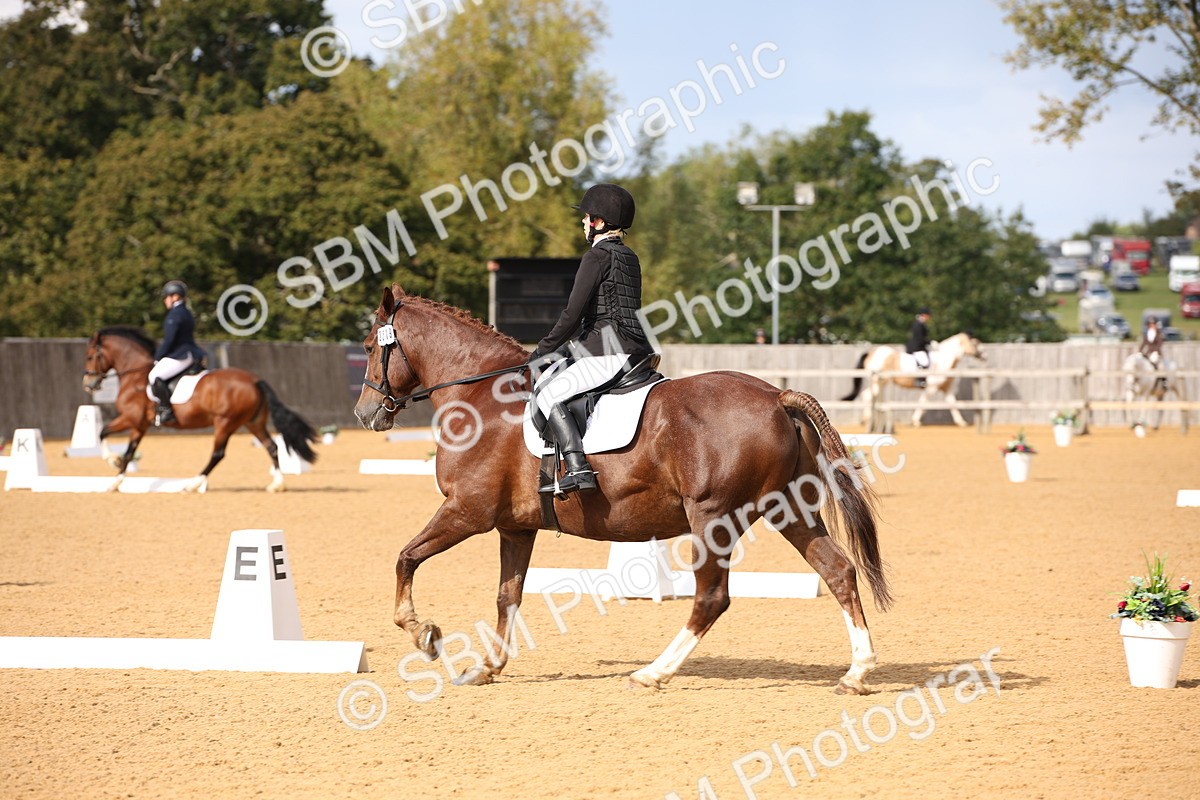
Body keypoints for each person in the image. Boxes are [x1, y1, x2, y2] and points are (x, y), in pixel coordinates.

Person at [527, 183, 653, 496]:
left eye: (586, 218)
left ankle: (578, 467)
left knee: (547, 396)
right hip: (636, 348)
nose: (583, 222)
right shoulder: (630, 257)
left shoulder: (595, 257)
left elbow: (572, 315)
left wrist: (541, 351)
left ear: (597, 222)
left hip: (608, 351)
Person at [147, 280, 205, 425]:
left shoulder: (175, 314)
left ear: (175, 297)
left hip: (181, 354)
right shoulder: (186, 312)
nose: (165, 300)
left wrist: (157, 358)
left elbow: (169, 340)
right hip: (190, 352)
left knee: (154, 375)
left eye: (166, 297)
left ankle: (167, 409)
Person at [906, 307, 933, 388]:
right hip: (916, 348)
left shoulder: (921, 323)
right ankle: (920, 380)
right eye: (928, 316)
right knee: (924, 362)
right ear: (924, 315)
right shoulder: (918, 324)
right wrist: (929, 342)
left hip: (920, 347)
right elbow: (920, 338)